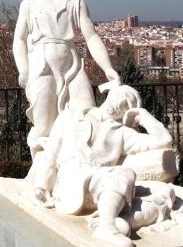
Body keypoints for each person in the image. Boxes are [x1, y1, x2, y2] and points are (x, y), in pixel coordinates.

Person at [31, 85, 174, 247]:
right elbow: (51, 155)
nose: (120, 102)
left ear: (128, 112)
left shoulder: (123, 134)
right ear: (109, 94)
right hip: (70, 183)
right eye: (120, 95)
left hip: (101, 185)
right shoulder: (69, 116)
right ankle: (111, 224)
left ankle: (108, 225)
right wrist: (41, 186)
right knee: (121, 176)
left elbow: (164, 141)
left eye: (127, 104)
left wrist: (144, 116)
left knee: (130, 176)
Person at [13, 0, 121, 155]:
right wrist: (24, 70)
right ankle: (43, 172)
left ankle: (79, 166)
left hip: (72, 66)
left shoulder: (76, 3)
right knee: (44, 126)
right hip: (42, 66)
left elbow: (91, 37)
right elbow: (19, 39)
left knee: (86, 116)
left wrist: (108, 69)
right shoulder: (29, 4)